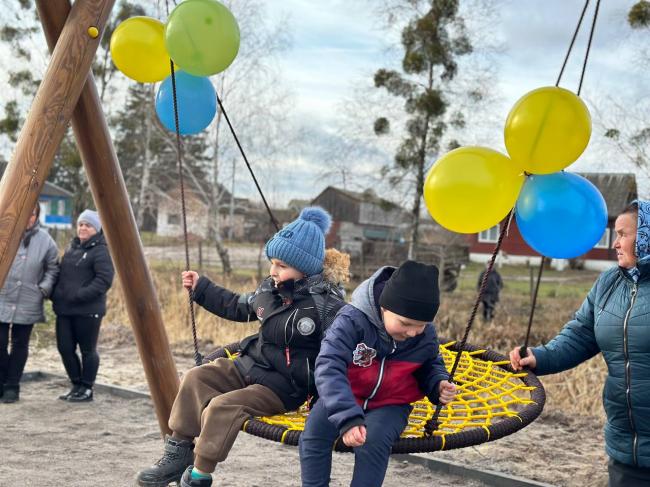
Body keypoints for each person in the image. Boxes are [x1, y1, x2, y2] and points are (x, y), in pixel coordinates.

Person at [136, 207, 348, 487]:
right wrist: (202, 288)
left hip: (284, 386)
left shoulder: (325, 307)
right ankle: (178, 452)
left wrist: (326, 396)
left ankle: (200, 474)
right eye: (272, 262)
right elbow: (236, 306)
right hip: (250, 364)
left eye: (282, 266)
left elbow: (340, 351)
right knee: (195, 377)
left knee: (223, 406)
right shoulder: (269, 291)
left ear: (305, 268)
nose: (273, 271)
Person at [509, 200, 650, 487]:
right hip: (626, 446)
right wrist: (539, 357)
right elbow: (579, 334)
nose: (615, 243)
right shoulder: (608, 283)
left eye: (623, 234)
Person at [299, 260, 457, 487]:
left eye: (420, 325)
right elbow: (328, 366)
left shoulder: (425, 335)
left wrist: (438, 384)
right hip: (346, 395)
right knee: (314, 432)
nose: (413, 332)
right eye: (405, 323)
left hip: (391, 404)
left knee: (373, 440)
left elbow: (431, 363)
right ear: (384, 308)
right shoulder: (352, 321)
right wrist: (348, 418)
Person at [52, 209, 114, 402]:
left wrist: (80, 295)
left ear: (96, 229)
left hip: (88, 310)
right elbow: (61, 275)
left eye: (88, 225)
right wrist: (55, 294)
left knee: (88, 350)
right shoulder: (72, 248)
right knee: (65, 348)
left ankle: (87, 388)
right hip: (65, 310)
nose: (83, 228)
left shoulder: (101, 250)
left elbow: (104, 280)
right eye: (80, 224)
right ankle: (76, 384)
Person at [0, 204, 58, 403]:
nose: (28, 217)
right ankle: (2, 382)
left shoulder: (46, 241)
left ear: (37, 216)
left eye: (32, 214)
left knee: (19, 344)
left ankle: (12, 386)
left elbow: (52, 268)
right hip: (2, 296)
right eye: (24, 212)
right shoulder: (4, 232)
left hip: (28, 299)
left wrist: (43, 289)